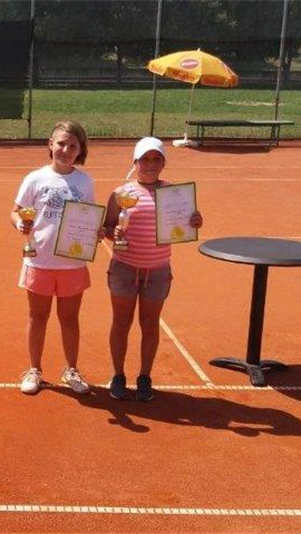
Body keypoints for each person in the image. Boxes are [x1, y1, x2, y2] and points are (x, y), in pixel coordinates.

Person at [104, 137, 203, 402]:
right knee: (121, 322)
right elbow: (107, 227)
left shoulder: (174, 195)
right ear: (135, 162)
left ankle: (144, 376)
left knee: (149, 324)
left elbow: (187, 223)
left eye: (156, 158)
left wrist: (195, 220)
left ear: (163, 163)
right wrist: (113, 232)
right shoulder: (120, 194)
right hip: (124, 269)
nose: (150, 164)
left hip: (157, 271)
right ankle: (118, 375)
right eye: (145, 159)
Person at [10, 120, 95, 395]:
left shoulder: (85, 181)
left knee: (70, 319)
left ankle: (71, 369)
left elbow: (88, 217)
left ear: (80, 150)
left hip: (73, 263)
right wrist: (20, 223)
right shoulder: (34, 179)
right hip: (40, 260)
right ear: (50, 144)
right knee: (38, 316)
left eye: (73, 146)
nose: (66, 150)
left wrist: (95, 232)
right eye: (61, 143)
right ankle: (34, 369)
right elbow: (15, 211)